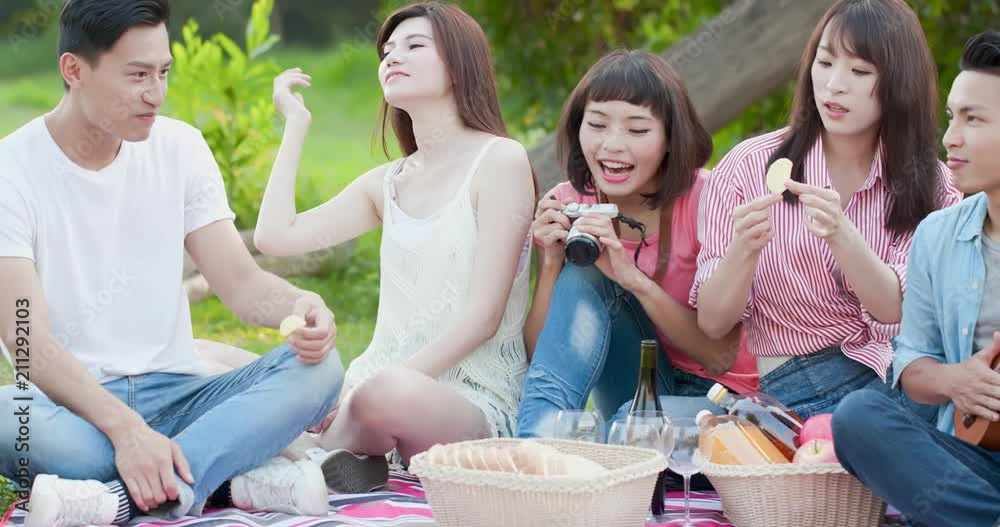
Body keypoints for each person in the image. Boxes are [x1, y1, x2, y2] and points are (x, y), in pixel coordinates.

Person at [0, 1, 344, 525]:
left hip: (182, 392)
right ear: (74, 70)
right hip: (73, 410)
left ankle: (120, 498)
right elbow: (29, 346)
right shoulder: (12, 170)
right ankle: (226, 471)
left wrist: (299, 304)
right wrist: (126, 430)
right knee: (13, 420)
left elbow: (241, 282)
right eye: (137, 75)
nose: (155, 94)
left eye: (163, 73)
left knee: (321, 372)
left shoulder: (180, 148)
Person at [251, 1, 535, 494]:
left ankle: (301, 453)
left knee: (380, 392)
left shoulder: (500, 162)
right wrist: (295, 125)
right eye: (386, 50)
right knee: (216, 362)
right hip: (373, 387)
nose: (391, 57)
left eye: (413, 46)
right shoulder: (389, 182)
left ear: (458, 64)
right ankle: (336, 454)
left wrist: (363, 391)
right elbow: (273, 237)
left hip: (470, 404)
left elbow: (482, 319)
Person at [691, 0, 961, 419]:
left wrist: (841, 233)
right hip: (799, 381)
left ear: (897, 84)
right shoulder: (749, 166)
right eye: (825, 62)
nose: (834, 85)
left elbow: (897, 311)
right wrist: (743, 251)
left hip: (901, 372)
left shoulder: (934, 183)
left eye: (859, 72)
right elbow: (712, 322)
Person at [516, 49, 758, 441]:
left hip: (723, 398)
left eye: (637, 130)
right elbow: (541, 361)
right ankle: (534, 451)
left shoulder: (707, 200)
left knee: (627, 430)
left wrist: (631, 278)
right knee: (584, 277)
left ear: (668, 139)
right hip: (638, 385)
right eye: (597, 124)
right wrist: (551, 262)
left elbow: (719, 357)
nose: (612, 144)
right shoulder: (569, 203)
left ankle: (583, 455)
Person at [833, 31, 1000, 527]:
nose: (951, 138)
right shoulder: (938, 235)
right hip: (973, 461)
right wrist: (956, 380)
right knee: (859, 418)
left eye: (974, 119)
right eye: (953, 117)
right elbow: (909, 365)